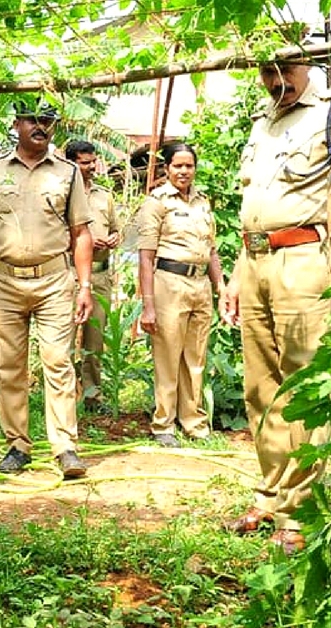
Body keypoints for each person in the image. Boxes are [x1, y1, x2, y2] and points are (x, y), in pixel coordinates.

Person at [218, 63, 331, 553]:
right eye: (266, 71)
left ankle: (300, 507)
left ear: (307, 64)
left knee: (306, 385)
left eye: (284, 68)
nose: (274, 79)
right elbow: (252, 201)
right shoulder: (262, 123)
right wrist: (238, 275)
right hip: (256, 256)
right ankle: (270, 494)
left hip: (306, 257)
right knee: (261, 385)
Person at [0, 100, 95, 478]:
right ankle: (17, 445)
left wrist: (84, 286)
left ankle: (65, 447)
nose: (41, 127)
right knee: (9, 366)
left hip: (54, 280)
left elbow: (81, 233)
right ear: (17, 123)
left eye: (48, 121)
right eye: (32, 120)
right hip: (4, 281)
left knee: (57, 361)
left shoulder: (68, 174)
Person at [136, 142, 223, 448]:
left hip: (199, 285)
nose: (184, 171)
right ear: (167, 168)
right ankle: (163, 424)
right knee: (168, 356)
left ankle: (193, 421)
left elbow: (211, 251)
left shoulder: (202, 202)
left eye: (189, 166)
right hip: (169, 283)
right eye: (178, 166)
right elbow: (145, 257)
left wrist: (220, 289)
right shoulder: (157, 202)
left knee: (196, 357)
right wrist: (148, 306)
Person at [64, 140, 121, 412]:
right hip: (70, 275)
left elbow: (117, 230)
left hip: (100, 275)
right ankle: (63, 399)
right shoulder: (59, 193)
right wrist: (82, 244)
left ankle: (92, 397)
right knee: (64, 341)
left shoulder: (103, 195)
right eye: (84, 162)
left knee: (94, 341)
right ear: (71, 163)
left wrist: (111, 239)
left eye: (92, 161)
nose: (91, 167)